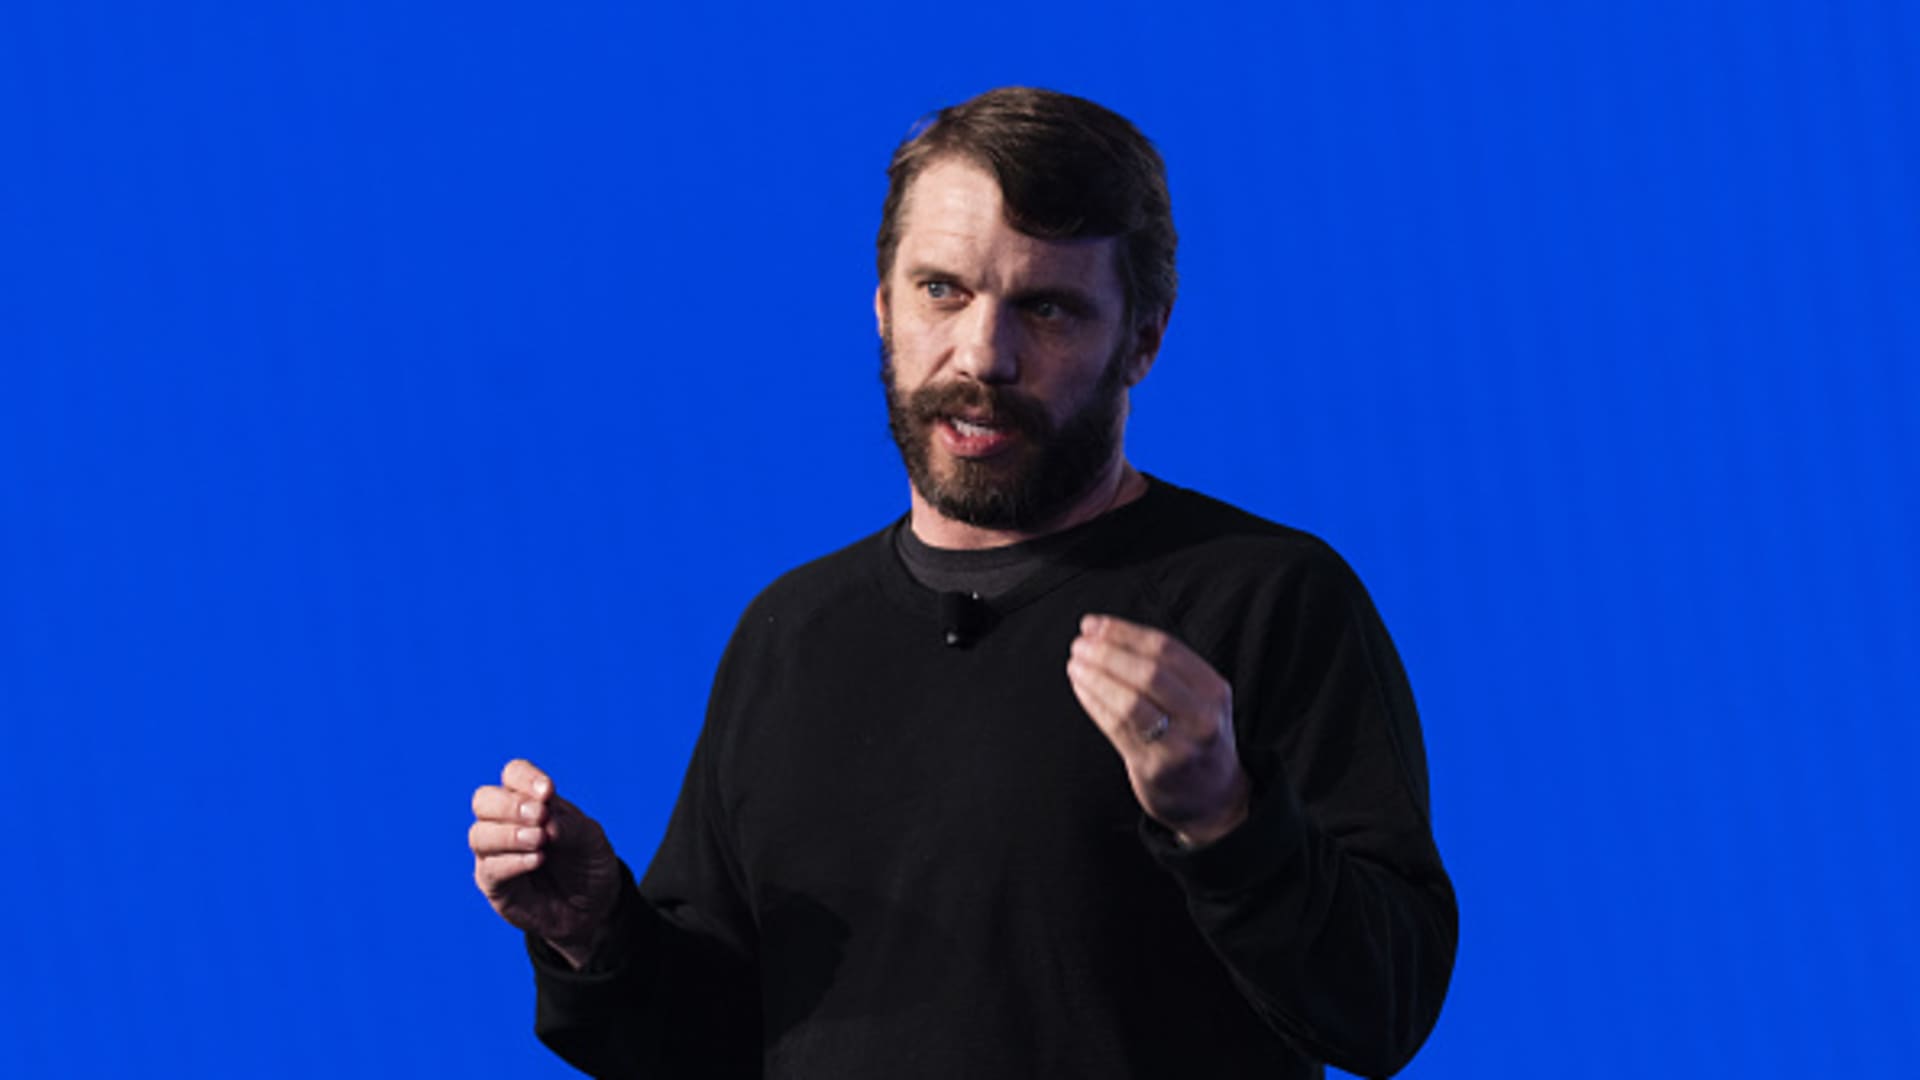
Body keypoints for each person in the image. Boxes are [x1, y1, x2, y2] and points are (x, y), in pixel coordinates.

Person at [469, 86, 1456, 1079]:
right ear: (883, 307)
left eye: (1047, 308)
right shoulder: (791, 632)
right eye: (943, 291)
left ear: (1143, 338)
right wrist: (594, 933)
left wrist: (1226, 818)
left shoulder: (1266, 599)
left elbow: (1386, 1007)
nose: (984, 356)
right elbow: (719, 1045)